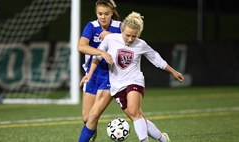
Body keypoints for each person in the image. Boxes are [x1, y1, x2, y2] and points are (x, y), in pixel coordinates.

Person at [80, 11, 184, 142]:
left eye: (133, 36)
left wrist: (173, 71)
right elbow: (97, 56)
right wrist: (89, 74)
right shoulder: (110, 39)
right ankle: (163, 139)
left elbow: (156, 59)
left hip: (134, 81)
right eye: (127, 35)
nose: (130, 39)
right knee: (137, 116)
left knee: (134, 111)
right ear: (122, 30)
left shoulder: (141, 44)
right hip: (117, 86)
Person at [77, 0, 121, 141]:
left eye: (106, 14)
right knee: (86, 118)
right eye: (100, 14)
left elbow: (130, 43)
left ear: (112, 13)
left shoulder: (119, 27)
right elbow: (81, 46)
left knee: (93, 115)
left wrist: (111, 37)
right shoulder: (92, 26)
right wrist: (101, 52)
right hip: (93, 72)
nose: (103, 17)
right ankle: (91, 129)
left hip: (110, 75)